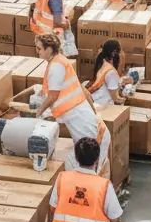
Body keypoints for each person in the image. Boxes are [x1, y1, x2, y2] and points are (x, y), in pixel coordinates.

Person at [34, 33, 109, 169]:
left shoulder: (56, 66)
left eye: (39, 48)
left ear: (49, 49)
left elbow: (53, 96)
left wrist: (39, 111)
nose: (37, 51)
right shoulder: (58, 61)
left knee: (86, 163)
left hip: (79, 118)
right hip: (78, 116)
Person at [89, 38, 127, 106]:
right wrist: (127, 98)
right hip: (103, 105)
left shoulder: (103, 64)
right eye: (120, 51)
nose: (122, 54)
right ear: (114, 53)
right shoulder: (111, 73)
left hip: (95, 99)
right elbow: (116, 99)